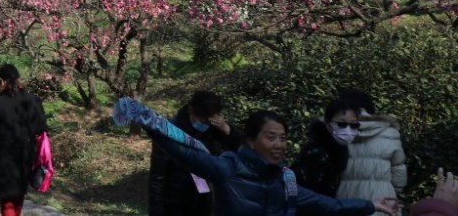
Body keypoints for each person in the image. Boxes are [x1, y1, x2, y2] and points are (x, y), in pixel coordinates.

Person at [112, 98, 399, 216]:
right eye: (270, 137)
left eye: (283, 138)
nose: (278, 145)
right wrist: (149, 122)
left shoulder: (285, 180)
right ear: (250, 140)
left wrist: (371, 204)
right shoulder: (228, 168)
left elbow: (329, 205)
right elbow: (186, 155)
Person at [149, 91, 242, 216]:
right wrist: (156, 211)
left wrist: (226, 129)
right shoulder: (169, 131)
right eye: (203, 121)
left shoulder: (212, 126)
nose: (205, 126)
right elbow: (157, 176)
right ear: (191, 110)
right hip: (175, 200)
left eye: (209, 122)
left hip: (202, 195)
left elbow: (243, 147)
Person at [0, 64, 47, 216]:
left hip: (4, 158)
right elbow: (41, 128)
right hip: (26, 155)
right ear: (18, 79)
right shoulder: (33, 100)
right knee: (19, 194)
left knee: (6, 199)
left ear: (1, 81)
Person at [336, 91, 407, 203]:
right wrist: (394, 191)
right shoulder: (389, 132)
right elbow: (398, 173)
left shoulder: (334, 131)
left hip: (342, 200)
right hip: (382, 200)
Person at [292, 98, 362, 197]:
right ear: (328, 124)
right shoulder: (316, 153)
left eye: (353, 125)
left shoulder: (339, 149)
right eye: (341, 124)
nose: (348, 130)